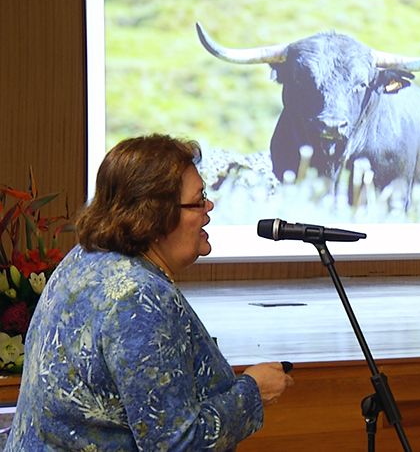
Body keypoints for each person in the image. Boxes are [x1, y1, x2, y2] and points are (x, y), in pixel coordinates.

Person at [4, 134, 293, 451]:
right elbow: (176, 444)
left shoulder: (85, 258)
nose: (209, 207)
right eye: (198, 201)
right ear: (156, 216)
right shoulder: (139, 298)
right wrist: (253, 391)